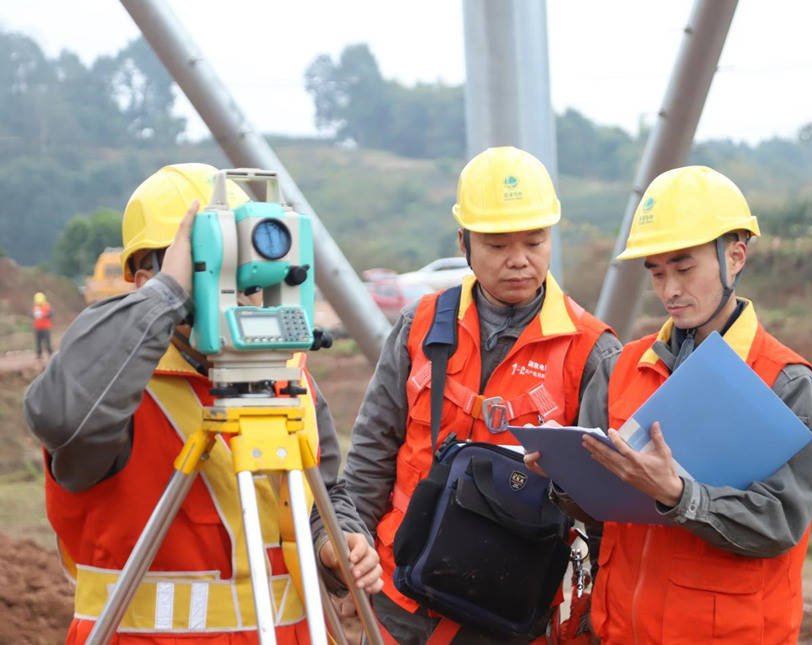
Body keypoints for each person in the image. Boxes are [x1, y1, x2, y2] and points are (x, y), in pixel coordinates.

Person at [24, 163, 383, 644]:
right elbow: (59, 415)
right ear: (144, 278)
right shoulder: (119, 389)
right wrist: (168, 296)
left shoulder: (287, 373)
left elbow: (323, 492)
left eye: (239, 271)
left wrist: (334, 541)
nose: (230, 292)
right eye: (208, 268)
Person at [343, 146, 621, 644]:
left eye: (534, 242)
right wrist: (349, 560)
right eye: (497, 245)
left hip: (508, 612)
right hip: (398, 601)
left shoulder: (591, 351)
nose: (519, 260)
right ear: (464, 242)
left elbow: (605, 511)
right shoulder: (420, 325)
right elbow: (370, 456)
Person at [580, 166, 812, 644]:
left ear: (735, 257)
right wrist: (561, 478)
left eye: (684, 267)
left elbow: (780, 520)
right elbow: (591, 498)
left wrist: (679, 495)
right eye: (657, 272)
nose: (669, 289)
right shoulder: (621, 367)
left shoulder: (785, 381)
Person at [32, 291, 53, 359]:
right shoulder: (35, 307)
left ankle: (50, 354)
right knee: (38, 343)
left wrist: (44, 315)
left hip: (46, 327)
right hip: (37, 328)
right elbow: (31, 315)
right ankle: (39, 354)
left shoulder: (47, 306)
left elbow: (51, 314)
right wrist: (35, 315)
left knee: (47, 342)